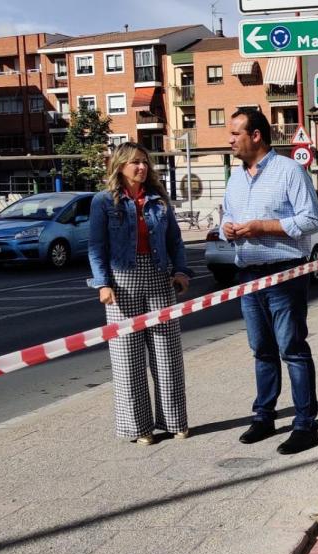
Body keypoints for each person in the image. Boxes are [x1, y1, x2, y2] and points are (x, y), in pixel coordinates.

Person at [222, 108, 318, 455]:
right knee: (261, 350)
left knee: (292, 349)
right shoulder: (235, 179)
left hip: (284, 274)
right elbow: (228, 215)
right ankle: (264, 417)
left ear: (256, 136)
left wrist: (262, 227)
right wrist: (227, 228)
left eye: (235, 133)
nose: (229, 140)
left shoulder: (289, 171)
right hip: (248, 275)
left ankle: (305, 425)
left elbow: (311, 219)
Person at [88, 142, 193, 445]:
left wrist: (181, 271)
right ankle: (139, 428)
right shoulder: (103, 202)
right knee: (128, 358)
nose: (142, 167)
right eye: (135, 162)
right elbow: (96, 246)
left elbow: (175, 241)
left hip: (159, 276)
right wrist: (103, 283)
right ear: (120, 166)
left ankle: (174, 421)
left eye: (144, 162)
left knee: (167, 353)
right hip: (122, 281)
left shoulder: (158, 200)